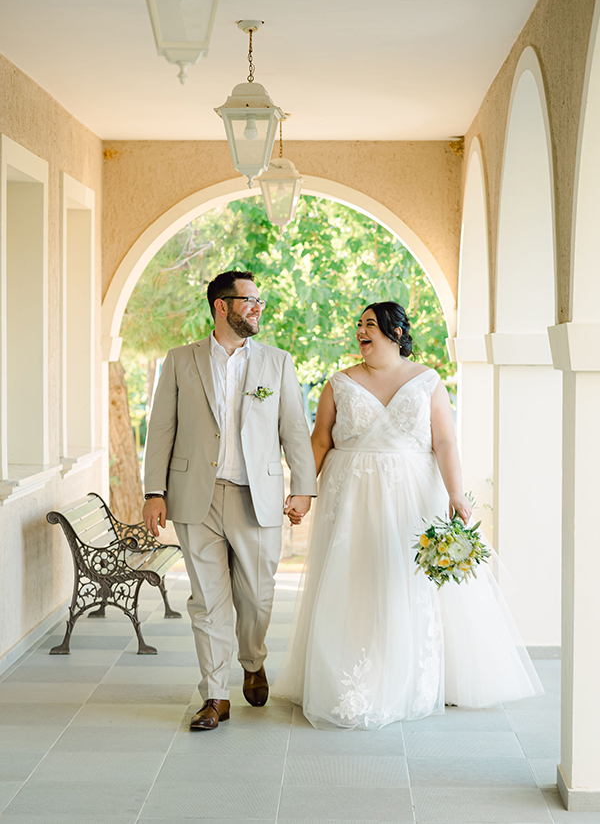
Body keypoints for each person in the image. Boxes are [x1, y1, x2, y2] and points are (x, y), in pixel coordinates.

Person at [273, 301, 543, 730]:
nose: (361, 331)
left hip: (413, 496)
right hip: (350, 498)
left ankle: (414, 675)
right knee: (354, 579)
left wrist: (457, 494)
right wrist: (302, 492)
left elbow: (446, 442)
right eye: (359, 325)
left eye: (371, 325)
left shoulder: (428, 381)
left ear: (396, 333)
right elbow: (319, 441)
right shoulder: (339, 383)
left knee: (406, 581)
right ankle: (351, 680)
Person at [143, 270, 317, 731]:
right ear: (222, 306)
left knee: (257, 597)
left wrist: (303, 485)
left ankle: (252, 659)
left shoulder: (277, 363)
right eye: (250, 300)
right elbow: (160, 428)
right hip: (194, 497)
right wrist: (153, 491)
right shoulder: (180, 360)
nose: (258, 307)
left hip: (256, 498)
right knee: (208, 601)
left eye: (260, 300)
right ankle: (215, 695)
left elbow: (294, 429)